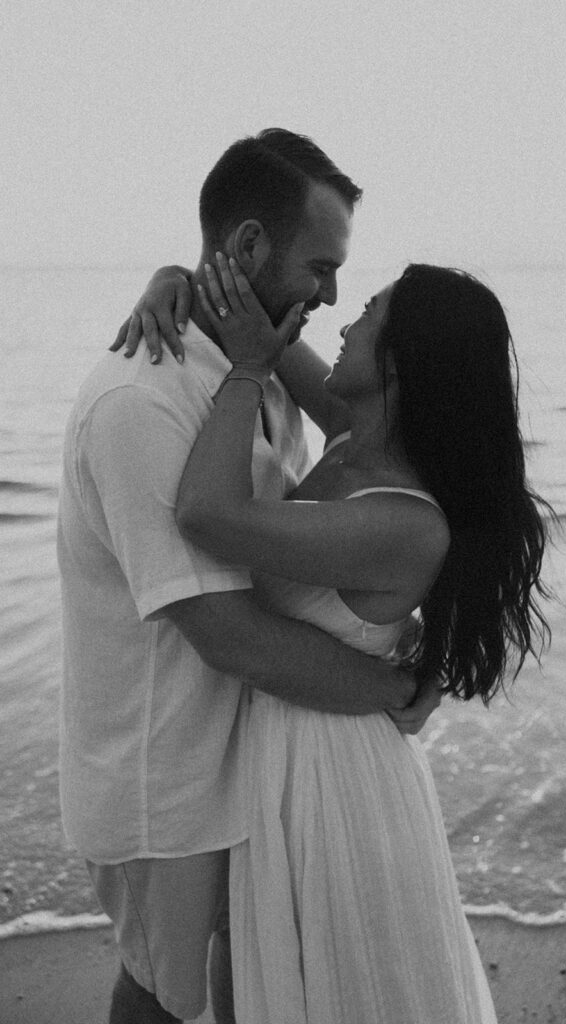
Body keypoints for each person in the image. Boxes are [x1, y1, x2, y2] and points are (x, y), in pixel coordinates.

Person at [58, 129, 438, 1024]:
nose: (331, 295)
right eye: (321, 265)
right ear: (250, 248)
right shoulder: (141, 400)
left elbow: (341, 464)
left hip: (255, 755)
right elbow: (224, 630)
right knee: (161, 999)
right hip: (168, 773)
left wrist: (175, 279)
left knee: (254, 983)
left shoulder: (253, 363)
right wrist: (395, 683)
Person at [120, 254, 553, 1022]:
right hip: (286, 746)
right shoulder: (357, 436)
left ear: (399, 363)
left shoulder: (405, 520)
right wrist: (171, 281)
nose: (345, 317)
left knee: (325, 985)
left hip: (332, 777)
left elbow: (206, 517)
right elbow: (256, 316)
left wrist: (246, 372)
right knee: (268, 975)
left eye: (370, 314)